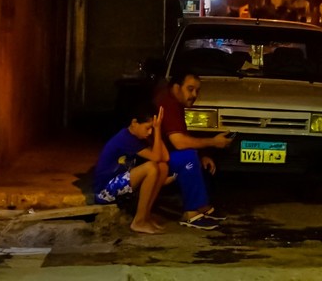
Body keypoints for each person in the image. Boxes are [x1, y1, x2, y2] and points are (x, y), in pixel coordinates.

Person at [156, 67, 234, 229]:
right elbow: (179, 142)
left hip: (162, 154)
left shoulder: (175, 104)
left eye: (197, 90)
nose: (194, 95)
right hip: (151, 158)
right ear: (176, 87)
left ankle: (201, 206)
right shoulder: (168, 104)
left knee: (197, 157)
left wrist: (202, 154)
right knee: (188, 158)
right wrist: (213, 142)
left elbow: (183, 138)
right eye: (190, 89)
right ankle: (191, 214)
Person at [91, 102, 170, 234]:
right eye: (148, 128)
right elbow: (156, 157)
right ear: (134, 123)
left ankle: (145, 216)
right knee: (151, 167)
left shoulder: (138, 136)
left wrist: (156, 130)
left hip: (121, 183)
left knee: (162, 167)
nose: (150, 132)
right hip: (104, 191)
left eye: (152, 128)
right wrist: (157, 129)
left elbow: (165, 157)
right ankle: (138, 221)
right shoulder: (126, 138)